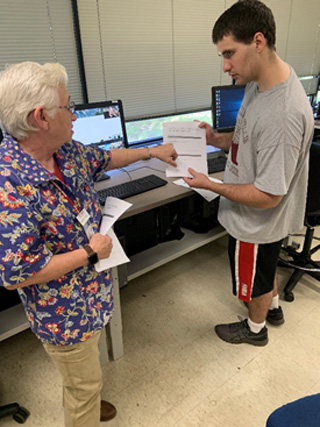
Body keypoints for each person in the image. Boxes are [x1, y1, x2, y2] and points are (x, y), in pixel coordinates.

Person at [0, 61, 178, 426]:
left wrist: (151, 152)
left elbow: (106, 158)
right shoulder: (9, 185)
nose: (75, 117)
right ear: (41, 117)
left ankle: (87, 392)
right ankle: (86, 401)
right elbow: (17, 272)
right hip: (64, 315)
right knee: (82, 387)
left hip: (92, 295)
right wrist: (89, 252)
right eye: (68, 108)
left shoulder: (64, 152)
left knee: (84, 375)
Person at [184, 0, 314, 346]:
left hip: (256, 223)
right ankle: (271, 307)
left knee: (252, 278)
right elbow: (245, 139)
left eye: (230, 54)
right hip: (262, 223)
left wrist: (213, 185)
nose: (225, 66)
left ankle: (254, 330)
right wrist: (215, 139)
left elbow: (268, 195)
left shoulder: (283, 114)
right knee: (265, 271)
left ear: (258, 42)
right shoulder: (261, 83)